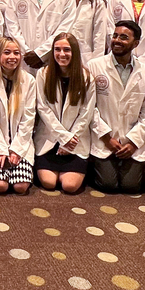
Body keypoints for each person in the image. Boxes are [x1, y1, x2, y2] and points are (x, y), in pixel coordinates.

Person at [87, 22, 145, 194]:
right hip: (103, 138)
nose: (117, 40)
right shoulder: (94, 66)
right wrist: (106, 137)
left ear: (136, 43)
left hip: (131, 140)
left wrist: (133, 142)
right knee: (108, 185)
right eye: (115, 36)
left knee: (130, 186)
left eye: (124, 37)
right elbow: (89, 107)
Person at [32, 33, 95, 193]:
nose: (61, 54)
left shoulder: (87, 78)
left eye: (67, 50)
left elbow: (86, 113)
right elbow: (43, 108)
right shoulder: (43, 74)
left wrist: (70, 140)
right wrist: (63, 137)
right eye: (57, 49)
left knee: (69, 186)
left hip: (76, 140)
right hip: (50, 139)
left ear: (74, 52)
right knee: (48, 183)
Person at [0, 36, 37, 195]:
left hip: (21, 144)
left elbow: (29, 119)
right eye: (7, 53)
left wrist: (17, 150)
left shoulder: (29, 80)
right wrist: (0, 148)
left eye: (16, 53)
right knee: (1, 186)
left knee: (20, 187)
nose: (12, 57)